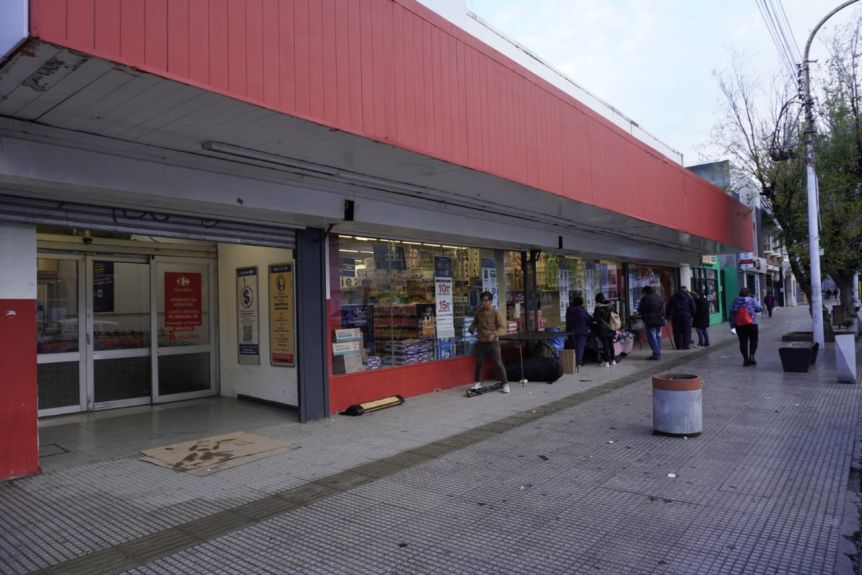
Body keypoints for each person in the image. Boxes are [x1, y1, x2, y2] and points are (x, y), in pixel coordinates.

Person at [468, 291, 510, 393]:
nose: (484, 303)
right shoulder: (479, 313)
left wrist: (494, 334)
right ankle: (477, 382)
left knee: (498, 363)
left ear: (490, 301)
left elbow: (502, 326)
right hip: (481, 342)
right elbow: (474, 323)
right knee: (479, 363)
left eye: (486, 301)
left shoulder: (495, 312)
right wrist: (471, 329)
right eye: (482, 301)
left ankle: (505, 384)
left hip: (493, 342)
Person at [730, 287, 763, 366]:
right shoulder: (752, 300)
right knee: (754, 340)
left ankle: (745, 359)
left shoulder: (735, 301)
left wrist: (732, 326)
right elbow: (759, 309)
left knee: (743, 342)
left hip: (739, 325)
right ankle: (752, 356)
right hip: (752, 324)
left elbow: (732, 314)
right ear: (748, 293)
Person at [637, 285, 665, 360]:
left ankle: (656, 354)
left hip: (650, 319)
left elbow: (641, 310)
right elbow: (662, 309)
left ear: (645, 292)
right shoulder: (659, 297)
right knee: (658, 336)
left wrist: (641, 312)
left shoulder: (646, 298)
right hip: (659, 318)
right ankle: (658, 352)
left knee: (652, 337)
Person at [565, 295, 592, 367]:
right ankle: (578, 362)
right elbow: (588, 319)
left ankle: (571, 361)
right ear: (580, 303)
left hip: (570, 331)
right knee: (580, 347)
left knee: (572, 346)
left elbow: (567, 320)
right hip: (581, 331)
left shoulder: (569, 310)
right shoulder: (581, 310)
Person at [666, 285, 695, 350]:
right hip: (687, 316)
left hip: (676, 315)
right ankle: (686, 346)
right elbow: (693, 308)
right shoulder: (689, 297)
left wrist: (668, 315)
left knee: (677, 332)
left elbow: (669, 307)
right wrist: (691, 315)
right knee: (687, 331)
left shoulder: (673, 297)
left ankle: (678, 346)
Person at [592, 293, 616, 367]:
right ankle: (613, 360)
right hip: (611, 326)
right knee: (611, 344)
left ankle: (606, 361)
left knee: (605, 345)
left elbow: (595, 319)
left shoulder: (598, 307)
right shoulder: (611, 305)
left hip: (603, 328)